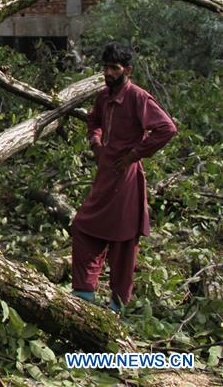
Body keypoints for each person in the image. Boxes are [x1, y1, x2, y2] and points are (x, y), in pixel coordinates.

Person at [71, 43, 177, 313]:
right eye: (105, 68)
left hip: (126, 180)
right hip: (105, 176)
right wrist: (96, 144)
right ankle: (84, 299)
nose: (108, 73)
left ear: (127, 70)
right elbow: (93, 122)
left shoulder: (138, 97)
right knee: (83, 229)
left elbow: (166, 128)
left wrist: (134, 154)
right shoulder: (104, 97)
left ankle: (116, 309)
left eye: (114, 68)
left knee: (123, 244)